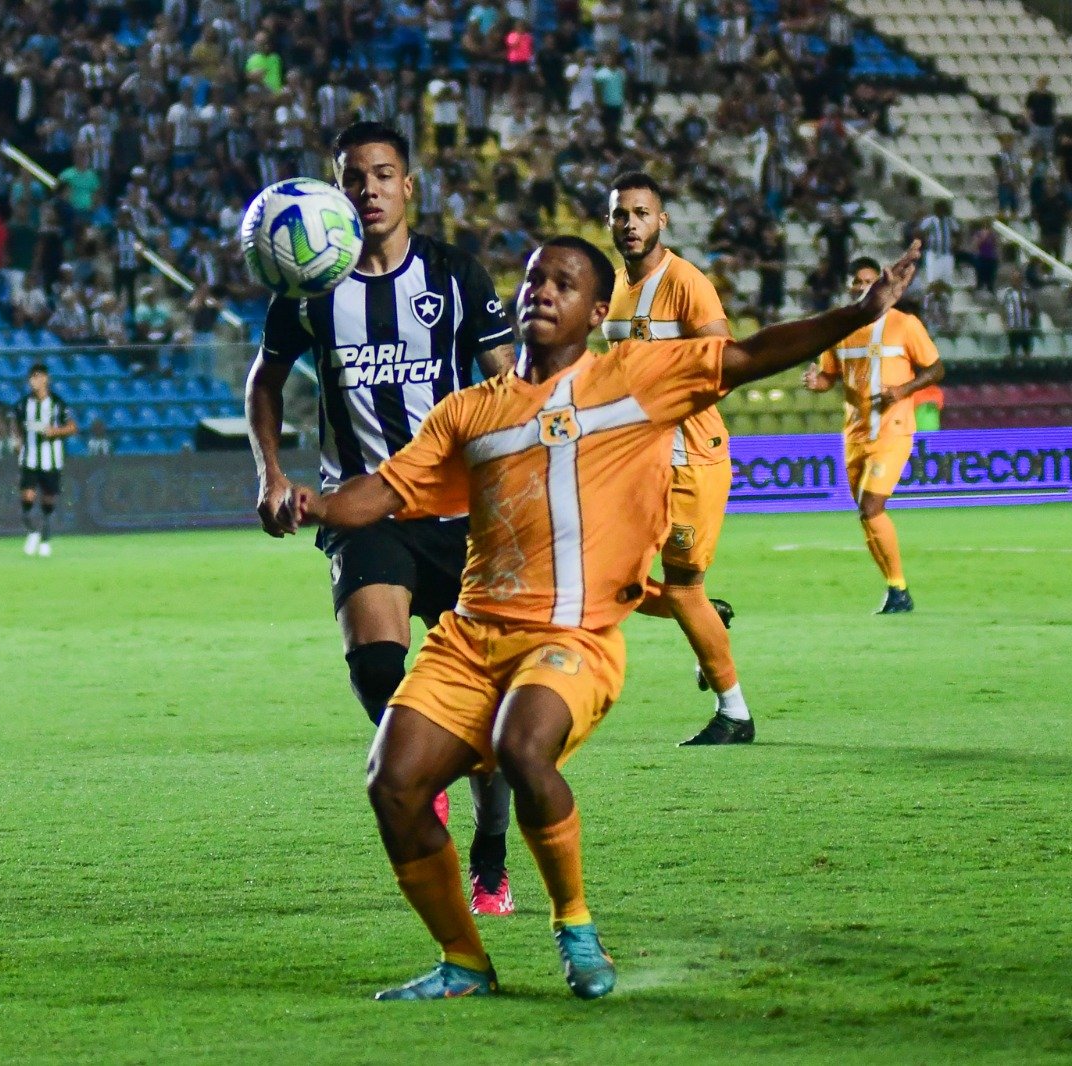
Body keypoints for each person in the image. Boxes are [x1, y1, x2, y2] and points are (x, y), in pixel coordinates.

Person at [275, 235, 922, 1002]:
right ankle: (465, 961)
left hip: (573, 637)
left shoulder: (640, 378)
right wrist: (309, 502)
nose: (542, 291)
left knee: (523, 747)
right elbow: (383, 492)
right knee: (393, 782)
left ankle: (574, 927)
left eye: (565, 283)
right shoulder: (469, 412)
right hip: (474, 635)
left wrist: (858, 312)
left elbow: (750, 356)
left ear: (597, 309)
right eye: (535, 278)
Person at [246, 121, 520, 915]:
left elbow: (505, 386)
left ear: (409, 187)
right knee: (374, 666)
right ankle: (419, 766)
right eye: (353, 177)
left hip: (462, 508)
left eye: (383, 174)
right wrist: (272, 472)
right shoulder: (305, 286)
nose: (368, 188)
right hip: (362, 506)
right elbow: (265, 382)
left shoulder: (456, 275)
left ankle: (491, 857)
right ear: (337, 190)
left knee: (494, 699)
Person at [603, 172, 750, 746]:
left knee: (682, 586)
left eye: (641, 213)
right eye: (621, 214)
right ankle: (709, 615)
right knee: (615, 580)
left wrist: (668, 402)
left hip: (690, 454)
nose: (631, 223)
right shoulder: (613, 287)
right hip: (637, 460)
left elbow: (727, 364)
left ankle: (734, 713)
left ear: (661, 221)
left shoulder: (687, 282)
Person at [804, 256, 944, 614]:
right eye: (856, 280)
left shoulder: (904, 324)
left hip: (893, 428)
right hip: (854, 432)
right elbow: (829, 377)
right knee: (865, 513)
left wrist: (903, 390)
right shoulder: (839, 328)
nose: (862, 285)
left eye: (869, 279)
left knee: (871, 506)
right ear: (850, 287)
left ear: (881, 286)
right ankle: (896, 589)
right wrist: (815, 382)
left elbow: (936, 368)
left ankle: (898, 589)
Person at [15, 363, 77, 558]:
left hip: (52, 460)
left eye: (39, 377)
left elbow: (73, 427)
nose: (35, 381)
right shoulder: (23, 404)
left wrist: (55, 431)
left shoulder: (58, 404)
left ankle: (45, 539)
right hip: (30, 459)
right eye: (32, 378)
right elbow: (16, 425)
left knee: (48, 500)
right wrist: (17, 441)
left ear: (46, 379)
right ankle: (33, 531)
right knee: (27, 497)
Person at [1001, 270, 1036, 365]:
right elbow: (1003, 308)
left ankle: (1028, 371)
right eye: (1013, 279)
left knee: (1027, 352)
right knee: (1012, 352)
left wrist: (1029, 307)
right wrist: (1004, 322)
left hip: (1025, 327)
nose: (1015, 281)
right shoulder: (1007, 293)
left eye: (1017, 279)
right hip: (1013, 328)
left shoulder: (1027, 292)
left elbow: (1034, 307)